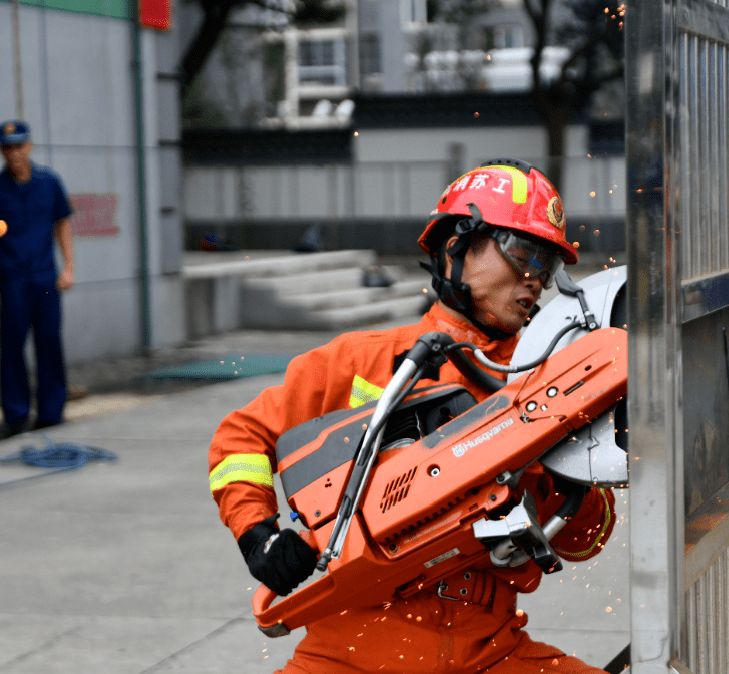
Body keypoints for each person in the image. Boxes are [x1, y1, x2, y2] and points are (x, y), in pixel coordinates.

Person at [208, 159, 617, 674]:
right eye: (523, 254)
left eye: (548, 264)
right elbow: (241, 436)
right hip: (350, 650)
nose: (536, 279)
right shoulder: (362, 361)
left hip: (490, 649)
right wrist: (258, 534)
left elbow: (587, 539)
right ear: (456, 247)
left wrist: (559, 456)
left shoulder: (547, 387)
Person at [0, 120, 74, 434]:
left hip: (46, 278)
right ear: (1, 151)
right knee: (11, 347)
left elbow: (63, 223)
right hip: (13, 280)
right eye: (7, 147)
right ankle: (16, 415)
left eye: (19, 146)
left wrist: (69, 267)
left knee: (49, 342)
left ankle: (51, 411)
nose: (14, 153)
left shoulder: (49, 181)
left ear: (29, 146)